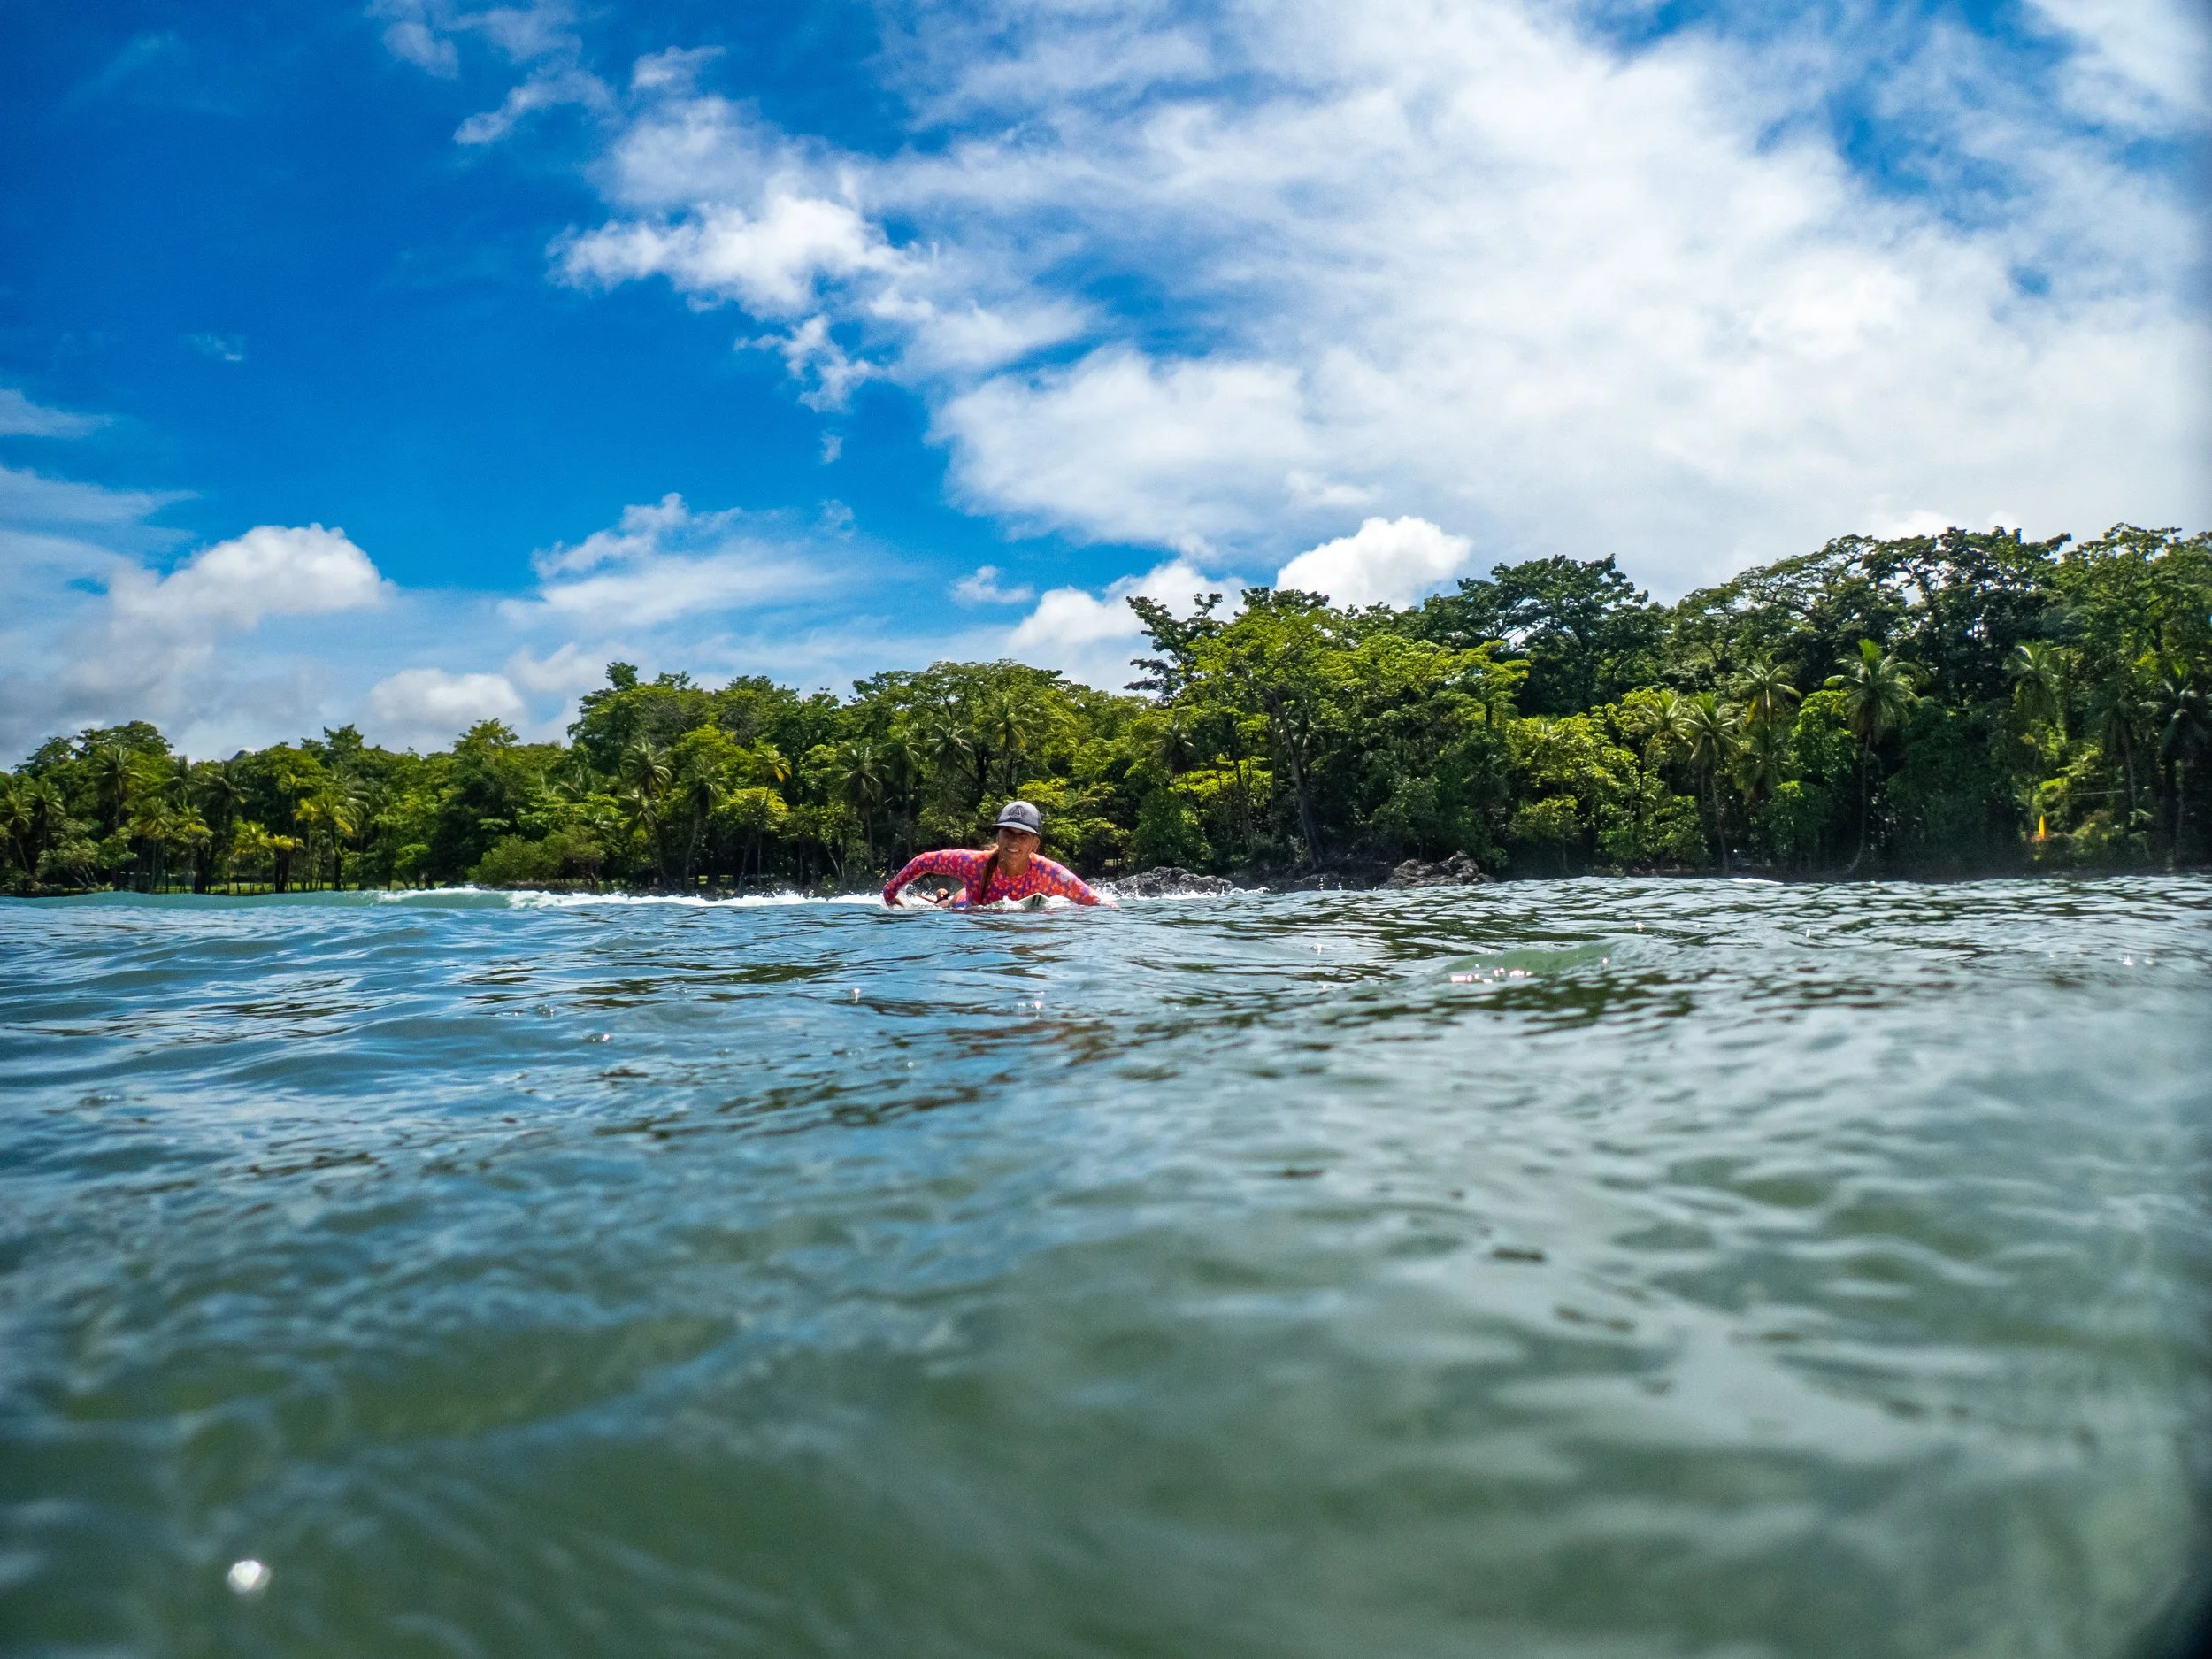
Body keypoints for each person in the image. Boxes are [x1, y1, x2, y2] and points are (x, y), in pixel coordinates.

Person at [882, 801, 1103, 908]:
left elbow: (1095, 902)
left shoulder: (1048, 873)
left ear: (1035, 843)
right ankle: (943, 899)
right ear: (998, 836)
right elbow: (925, 861)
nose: (1014, 841)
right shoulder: (972, 864)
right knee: (946, 905)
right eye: (1008, 832)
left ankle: (943, 896)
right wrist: (890, 893)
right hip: (964, 905)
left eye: (1023, 836)